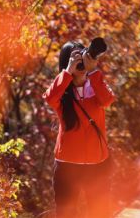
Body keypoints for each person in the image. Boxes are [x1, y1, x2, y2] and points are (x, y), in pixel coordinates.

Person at [42, 40, 115, 218]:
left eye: (82, 56)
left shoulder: (96, 87)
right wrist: (68, 72)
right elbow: (50, 98)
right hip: (67, 167)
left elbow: (107, 100)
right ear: (67, 62)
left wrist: (93, 72)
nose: (81, 62)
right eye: (76, 58)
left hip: (96, 165)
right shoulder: (62, 93)